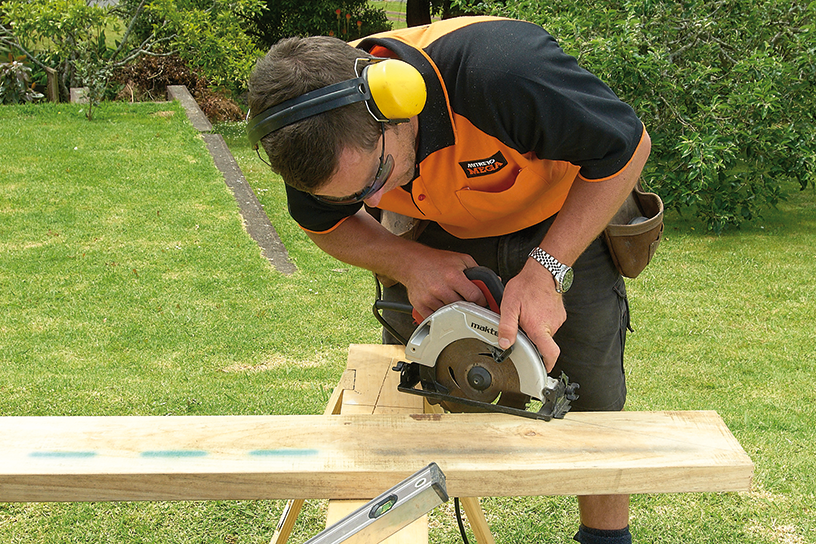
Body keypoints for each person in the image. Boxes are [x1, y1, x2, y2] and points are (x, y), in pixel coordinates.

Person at [247, 15, 650, 544]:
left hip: (562, 213)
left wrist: (548, 269)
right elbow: (324, 223)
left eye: (373, 179)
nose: (369, 202)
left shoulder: (503, 71)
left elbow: (626, 149)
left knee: (592, 394)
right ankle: (396, 528)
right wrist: (407, 261)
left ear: (397, 106)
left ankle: (605, 538)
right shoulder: (307, 126)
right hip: (430, 225)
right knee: (417, 387)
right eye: (348, 196)